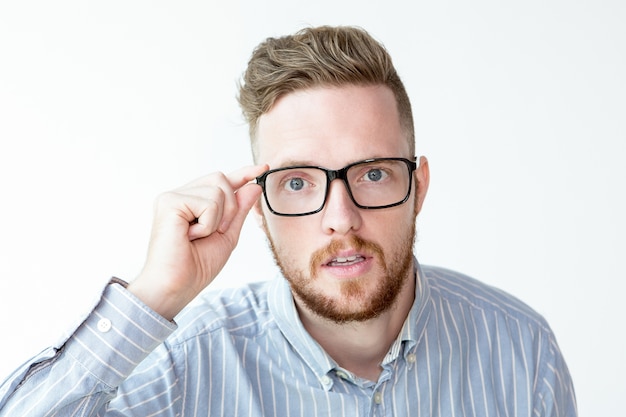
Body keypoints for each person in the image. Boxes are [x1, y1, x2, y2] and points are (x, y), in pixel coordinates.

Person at [0, 25, 576, 416]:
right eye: (298, 183)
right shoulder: (187, 366)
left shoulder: (520, 350)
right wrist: (153, 296)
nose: (340, 219)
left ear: (417, 187)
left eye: (373, 174)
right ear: (257, 205)